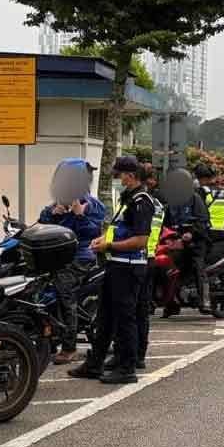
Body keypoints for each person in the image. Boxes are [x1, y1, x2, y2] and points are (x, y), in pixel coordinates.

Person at [69, 155, 153, 385]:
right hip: (115, 264)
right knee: (105, 317)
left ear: (131, 176)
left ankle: (127, 367)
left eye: (118, 175)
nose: (116, 179)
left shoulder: (141, 202)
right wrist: (101, 240)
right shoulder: (127, 199)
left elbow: (140, 240)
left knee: (125, 318)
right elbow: (117, 229)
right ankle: (95, 363)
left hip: (130, 267)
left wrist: (109, 245)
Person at [39, 158, 106, 365]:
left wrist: (79, 216)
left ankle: (69, 347)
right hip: (58, 257)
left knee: (64, 291)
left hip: (81, 257)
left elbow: (95, 231)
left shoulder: (91, 204)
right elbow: (42, 223)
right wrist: (52, 214)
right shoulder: (60, 201)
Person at [161, 170, 211, 314]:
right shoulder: (170, 203)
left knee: (197, 266)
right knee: (168, 268)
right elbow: (166, 224)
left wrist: (191, 233)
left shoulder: (195, 199)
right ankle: (171, 303)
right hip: (178, 242)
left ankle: (205, 300)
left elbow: (203, 221)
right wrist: (168, 238)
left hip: (196, 242)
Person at [196, 164, 224, 240]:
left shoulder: (202, 191)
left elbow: (198, 213)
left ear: (203, 179)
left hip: (207, 233)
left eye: (199, 180)